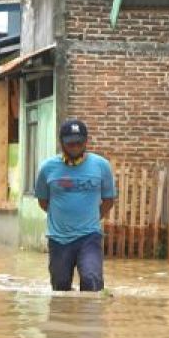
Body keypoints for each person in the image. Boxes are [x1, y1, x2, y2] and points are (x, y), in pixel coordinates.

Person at [35, 119, 116, 292]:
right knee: (60, 286)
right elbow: (43, 201)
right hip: (58, 239)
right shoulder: (47, 168)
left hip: (89, 236)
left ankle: (88, 318)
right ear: (61, 143)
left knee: (91, 280)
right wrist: (61, 217)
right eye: (70, 143)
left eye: (79, 142)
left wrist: (92, 217)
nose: (75, 147)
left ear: (86, 142)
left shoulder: (101, 166)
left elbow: (108, 200)